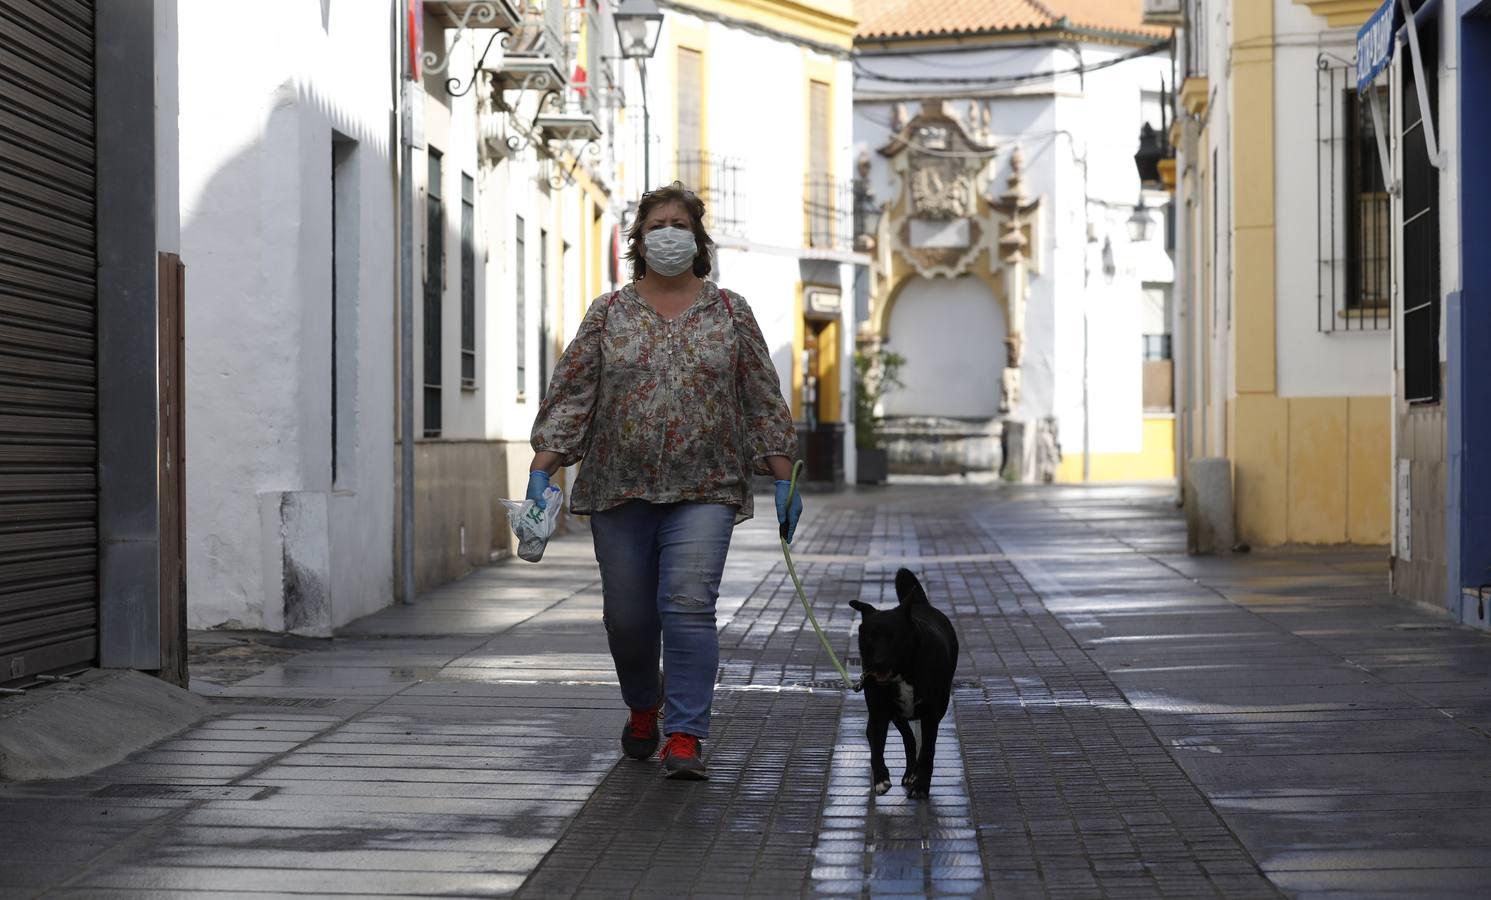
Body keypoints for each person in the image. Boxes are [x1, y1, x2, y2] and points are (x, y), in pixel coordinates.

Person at [525, 183, 802, 780]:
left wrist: (784, 477)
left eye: (680, 223)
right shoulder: (609, 313)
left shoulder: (730, 311)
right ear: (640, 240)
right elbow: (574, 394)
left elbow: (760, 395)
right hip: (618, 489)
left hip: (706, 486)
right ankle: (643, 707)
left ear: (697, 239)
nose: (668, 233)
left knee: (689, 607)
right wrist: (541, 471)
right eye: (657, 225)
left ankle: (685, 734)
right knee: (628, 619)